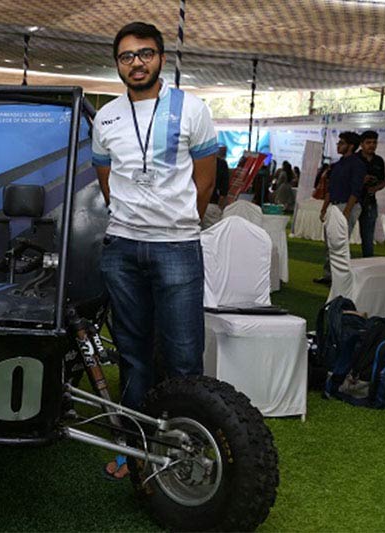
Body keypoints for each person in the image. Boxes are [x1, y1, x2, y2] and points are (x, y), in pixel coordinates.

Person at [92, 21, 217, 480]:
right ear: (117, 64)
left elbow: (206, 181)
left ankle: (186, 450)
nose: (137, 63)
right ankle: (133, 448)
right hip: (122, 248)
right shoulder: (106, 116)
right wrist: (132, 219)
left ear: (162, 58)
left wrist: (176, 223)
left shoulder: (192, 109)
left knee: (183, 356)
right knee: (133, 354)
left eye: (145, 53)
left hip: (177, 247)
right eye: (127, 56)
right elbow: (106, 180)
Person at [314, 131, 366, 285]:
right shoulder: (337, 164)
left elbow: (356, 191)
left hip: (348, 205)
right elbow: (330, 189)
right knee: (330, 242)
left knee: (339, 243)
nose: (338, 145)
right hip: (334, 206)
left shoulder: (357, 165)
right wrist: (324, 208)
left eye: (341, 143)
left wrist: (346, 212)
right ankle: (329, 275)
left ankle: (340, 277)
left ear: (351, 146)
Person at [356, 130, 385, 258]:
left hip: (370, 202)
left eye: (374, 142)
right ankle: (339, 264)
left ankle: (368, 262)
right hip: (352, 201)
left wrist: (375, 188)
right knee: (343, 233)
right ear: (361, 144)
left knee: (368, 235)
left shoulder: (379, 160)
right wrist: (361, 180)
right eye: (368, 142)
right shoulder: (354, 159)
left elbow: (383, 182)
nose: (372, 145)